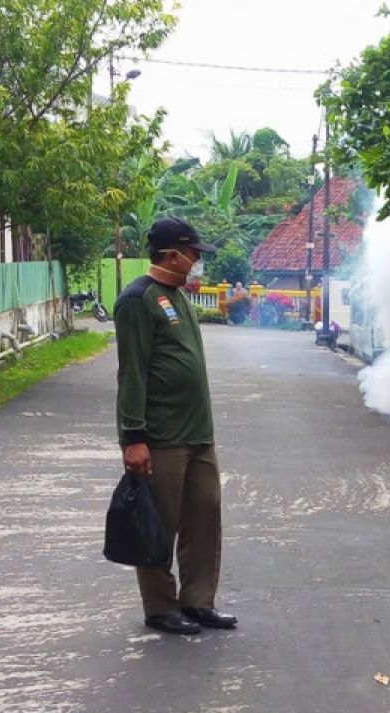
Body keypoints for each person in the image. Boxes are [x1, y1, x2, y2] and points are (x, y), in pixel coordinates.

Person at [115, 217, 236, 635]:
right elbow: (132, 374)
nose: (198, 261)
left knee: (205, 517)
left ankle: (199, 601)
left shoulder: (180, 297)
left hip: (199, 434)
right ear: (172, 255)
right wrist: (133, 439)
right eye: (194, 254)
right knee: (160, 524)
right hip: (162, 437)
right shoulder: (138, 299)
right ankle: (161, 607)